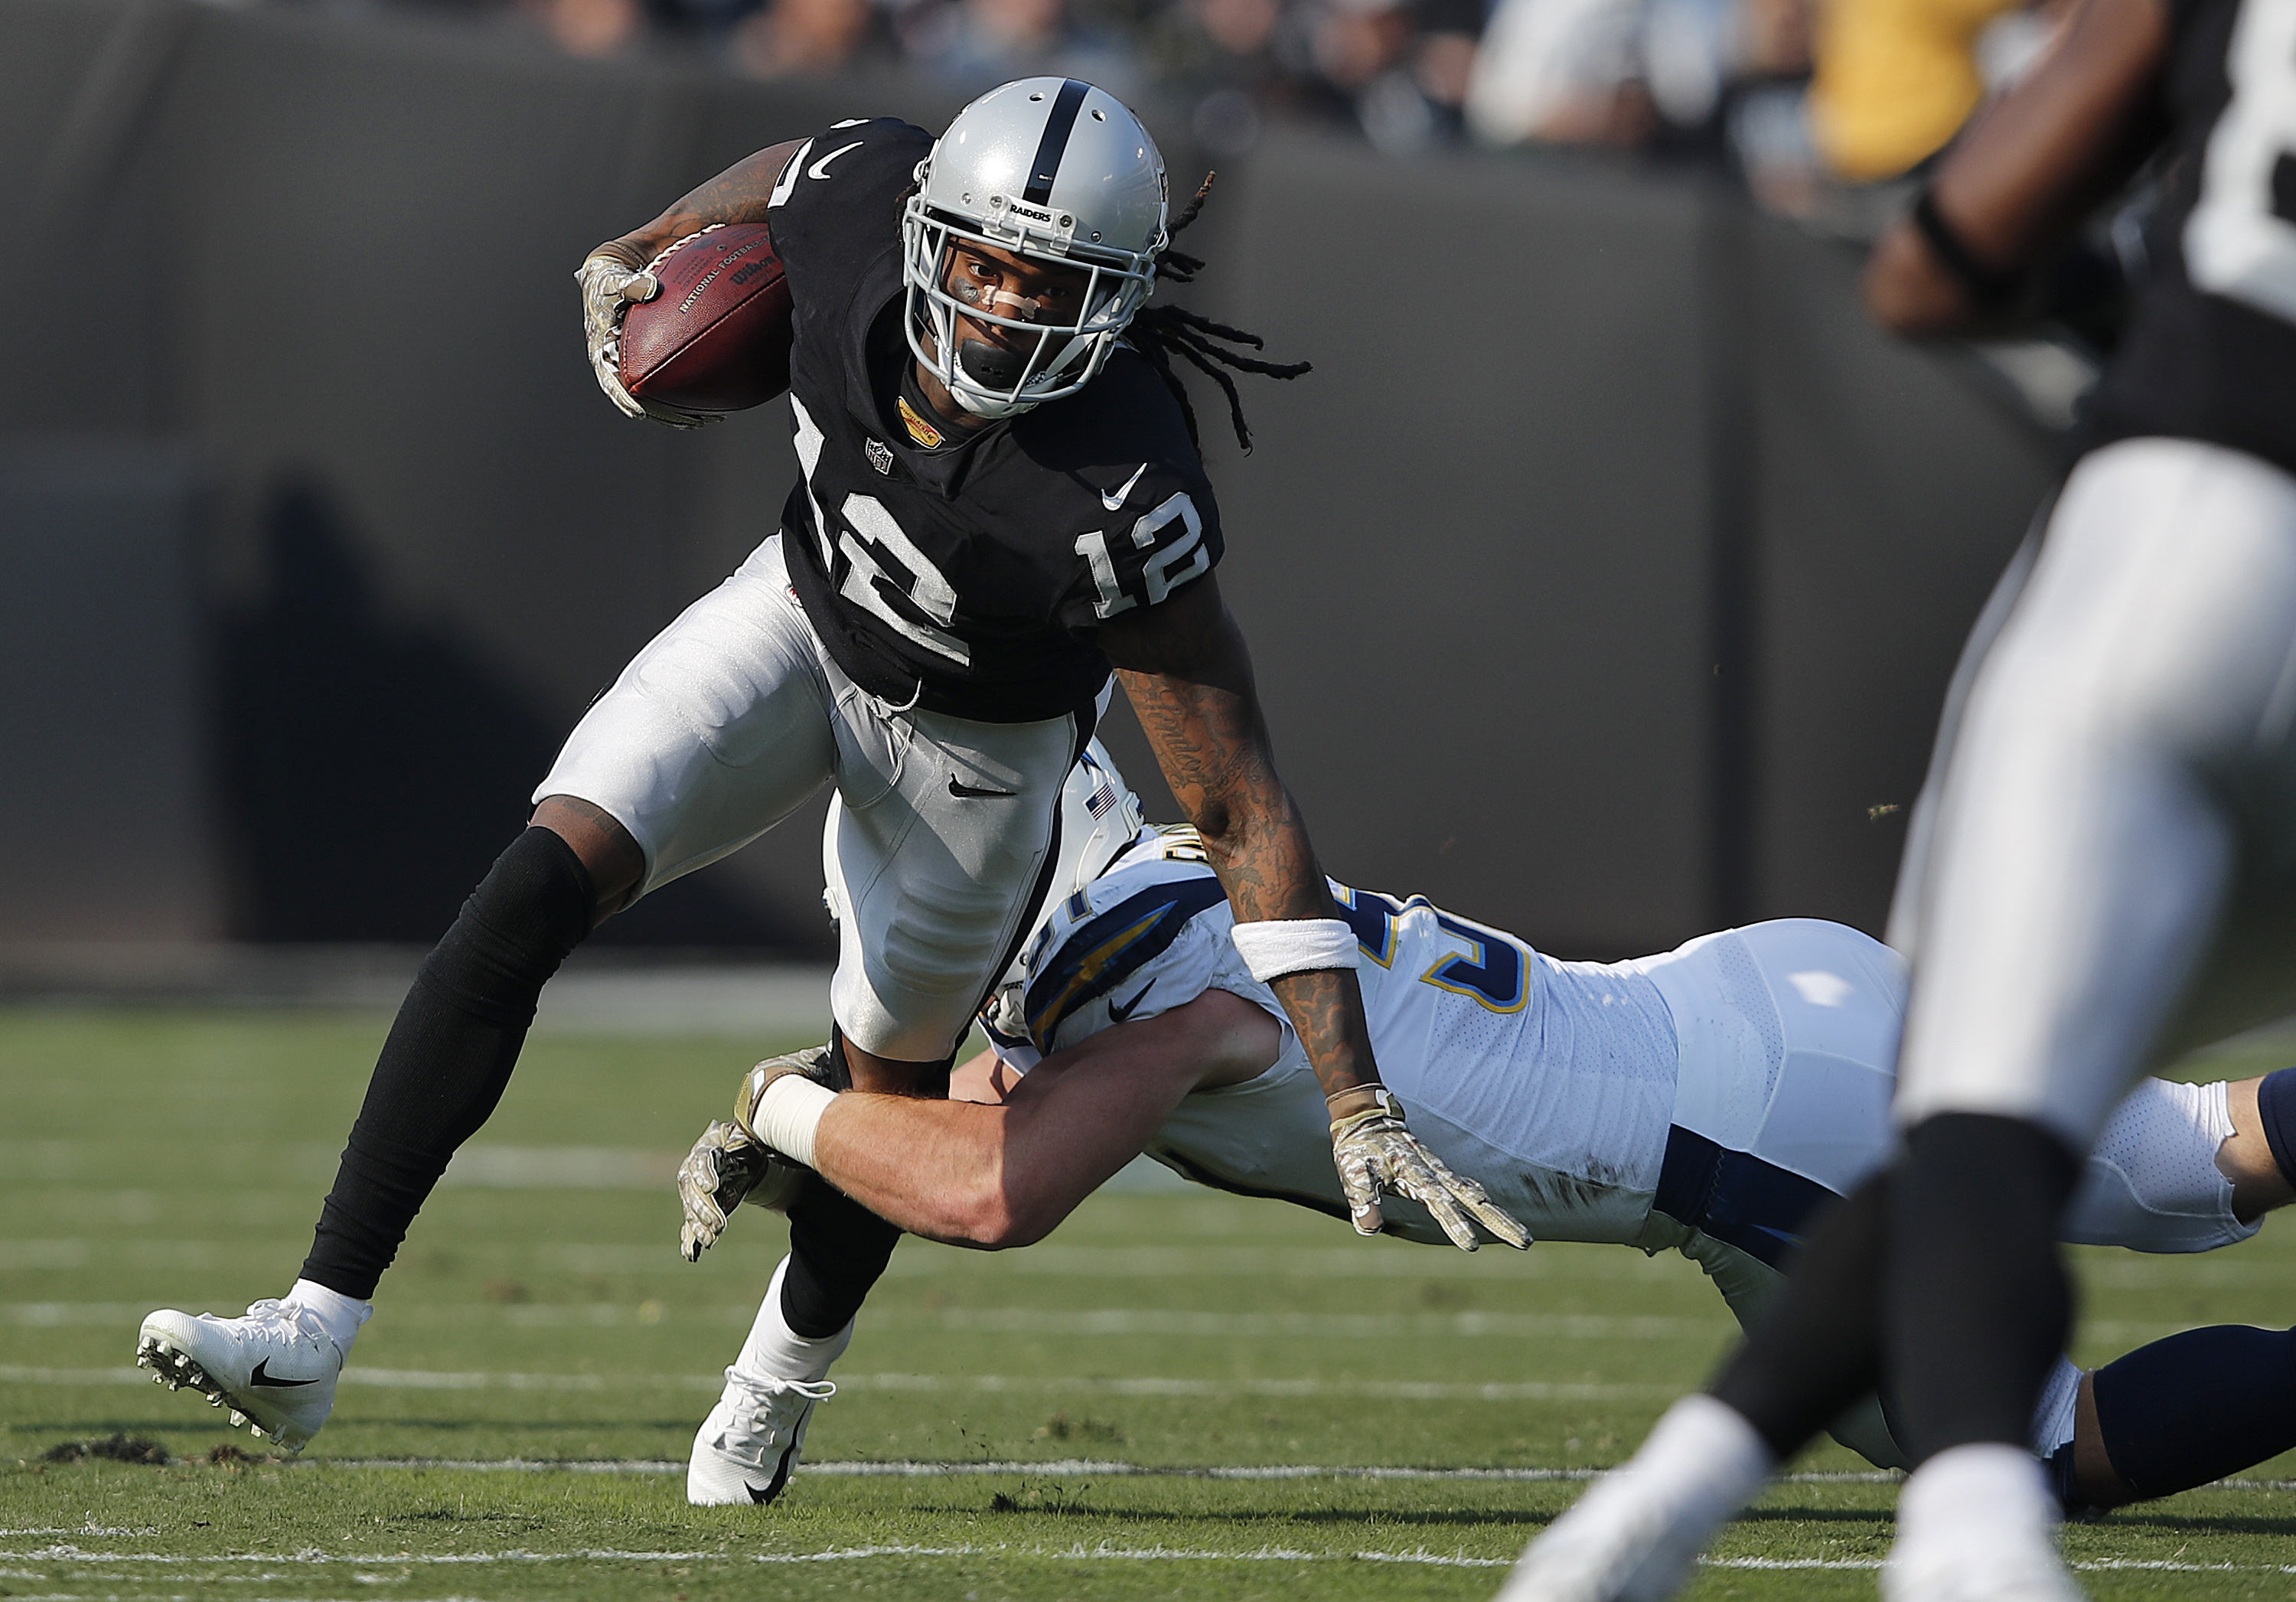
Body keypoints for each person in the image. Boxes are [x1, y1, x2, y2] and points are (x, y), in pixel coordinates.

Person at [132, 78, 1518, 1455]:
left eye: (1053, 283)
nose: (1007, 306)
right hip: (797, 619)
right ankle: (313, 1328)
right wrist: (641, 243)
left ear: (1115, 297)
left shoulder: (1120, 492)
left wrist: (1355, 1093)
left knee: (884, 1102)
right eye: (984, 260)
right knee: (537, 883)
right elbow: (802, 162)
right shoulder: (862, 209)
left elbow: (1233, 795)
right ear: (927, 233)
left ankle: (772, 1390)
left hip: (980, 754)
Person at [1501, 0, 2296, 1591]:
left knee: (1991, 1133)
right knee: (2068, 1142)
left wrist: (2137, 312)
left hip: (2196, 522)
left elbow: (1938, 254)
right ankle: (1685, 1488)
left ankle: (1891, 1529)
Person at [674, 746, 2296, 1509]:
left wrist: (786, 1098)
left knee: (2021, 1449)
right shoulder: (1161, 914)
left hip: (1753, 1146)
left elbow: (994, 1194)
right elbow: (974, 1114)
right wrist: (828, 1126)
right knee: (2206, 1156)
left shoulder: (1157, 990)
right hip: (1771, 996)